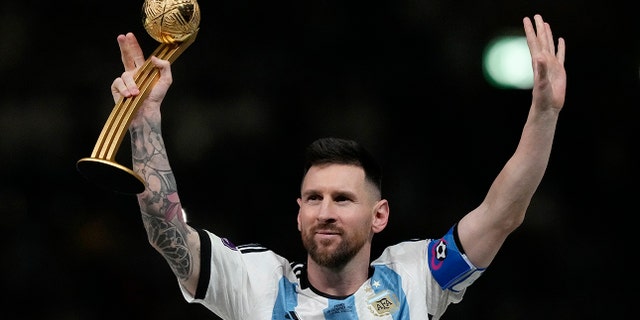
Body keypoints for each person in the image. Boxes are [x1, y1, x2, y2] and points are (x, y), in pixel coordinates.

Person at [111, 14, 566, 319]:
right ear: (298, 212)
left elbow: (503, 212)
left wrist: (544, 114)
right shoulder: (254, 284)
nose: (325, 210)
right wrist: (145, 121)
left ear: (379, 215)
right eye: (314, 198)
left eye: (343, 199)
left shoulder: (415, 277)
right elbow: (165, 232)